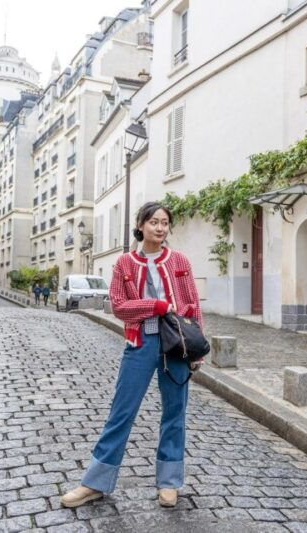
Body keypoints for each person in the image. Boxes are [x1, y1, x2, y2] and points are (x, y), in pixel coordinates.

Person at [61, 201, 204, 510]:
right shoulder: (125, 263)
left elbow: (193, 305)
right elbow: (118, 306)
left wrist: (198, 348)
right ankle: (95, 483)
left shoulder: (180, 260)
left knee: (175, 413)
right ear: (141, 225)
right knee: (121, 412)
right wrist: (157, 305)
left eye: (165, 223)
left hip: (176, 346)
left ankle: (169, 482)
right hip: (141, 344)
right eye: (154, 222)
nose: (160, 228)